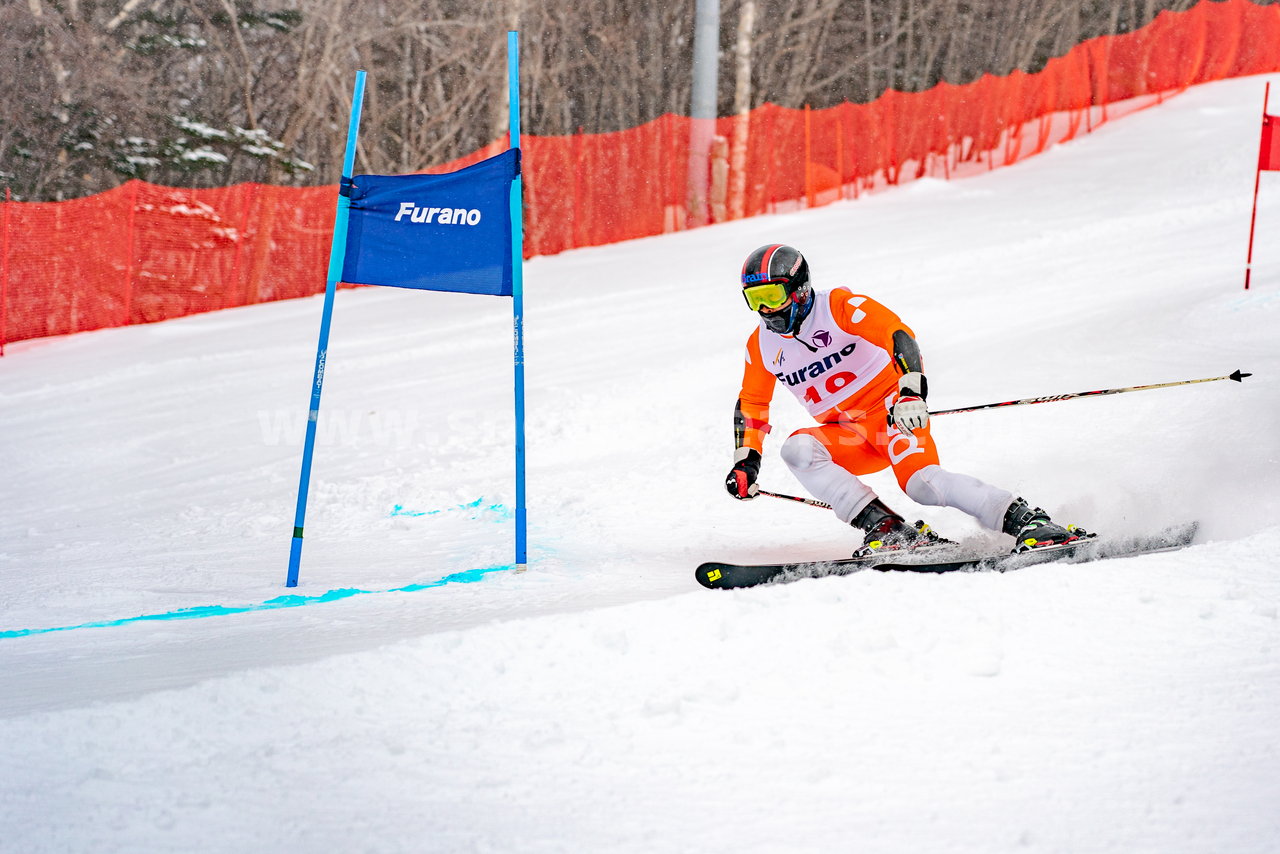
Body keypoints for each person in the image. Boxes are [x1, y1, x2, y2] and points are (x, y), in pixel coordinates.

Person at [724, 243, 1085, 555]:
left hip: (892, 416)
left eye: (772, 296)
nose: (766, 311)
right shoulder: (761, 346)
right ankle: (887, 528)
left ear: (800, 290)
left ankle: (1028, 520)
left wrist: (910, 392)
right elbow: (753, 403)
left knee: (923, 485)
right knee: (797, 450)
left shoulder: (839, 307)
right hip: (849, 435)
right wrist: (747, 462)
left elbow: (897, 334)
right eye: (755, 300)